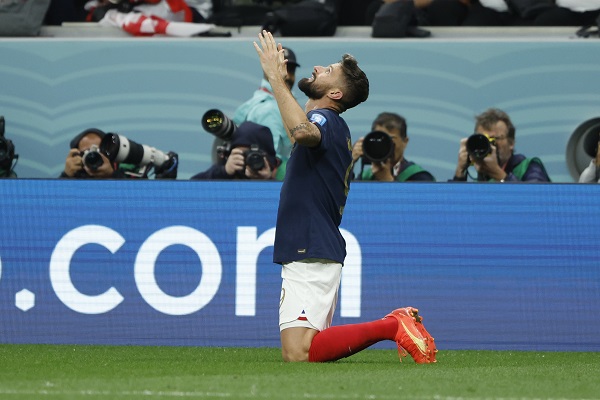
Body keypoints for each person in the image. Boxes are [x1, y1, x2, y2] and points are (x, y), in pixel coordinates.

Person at [254, 30, 437, 364]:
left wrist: (275, 80)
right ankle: (392, 324)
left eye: (329, 70)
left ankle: (392, 325)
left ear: (335, 93)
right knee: (307, 349)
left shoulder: (324, 119)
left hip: (309, 244)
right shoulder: (333, 125)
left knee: (299, 352)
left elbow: (302, 132)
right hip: (313, 244)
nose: (319, 67)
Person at [233, 47, 300, 181]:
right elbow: (270, 163)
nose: (286, 75)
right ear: (267, 69)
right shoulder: (270, 110)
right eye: (280, 67)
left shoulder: (255, 102)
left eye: (290, 70)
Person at [451, 108, 551, 182]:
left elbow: (536, 203)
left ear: (511, 143)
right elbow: (450, 207)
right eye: (484, 140)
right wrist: (460, 173)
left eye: (495, 139)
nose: (490, 146)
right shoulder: (479, 180)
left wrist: (498, 174)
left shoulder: (529, 167)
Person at [352, 112, 435, 182]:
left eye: (390, 139)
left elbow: (421, 201)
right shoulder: (367, 176)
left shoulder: (419, 177)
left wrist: (388, 180)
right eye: (379, 140)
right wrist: (349, 161)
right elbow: (345, 196)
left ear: (405, 141)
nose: (384, 145)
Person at [190, 121, 280, 180]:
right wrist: (224, 172)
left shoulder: (287, 176)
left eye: (253, 154)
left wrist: (268, 181)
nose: (250, 159)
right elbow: (192, 187)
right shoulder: (229, 174)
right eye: (243, 155)